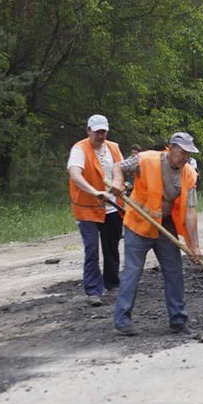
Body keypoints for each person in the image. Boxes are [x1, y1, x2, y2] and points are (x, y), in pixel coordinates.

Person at [108, 132, 201, 336]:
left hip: (164, 224)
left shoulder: (189, 174)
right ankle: (122, 321)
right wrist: (117, 181)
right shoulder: (146, 160)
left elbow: (191, 211)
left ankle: (178, 320)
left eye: (189, 154)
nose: (186, 157)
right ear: (171, 148)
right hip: (139, 223)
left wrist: (195, 246)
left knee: (174, 270)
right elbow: (118, 166)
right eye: (183, 152)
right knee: (133, 270)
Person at [67, 114, 124, 307]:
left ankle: (113, 284)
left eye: (103, 132)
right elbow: (75, 174)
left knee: (111, 248)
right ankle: (93, 290)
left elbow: (119, 170)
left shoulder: (114, 148)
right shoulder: (79, 149)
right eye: (97, 132)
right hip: (87, 209)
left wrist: (116, 184)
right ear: (88, 130)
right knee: (92, 249)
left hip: (112, 207)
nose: (100, 136)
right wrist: (95, 192)